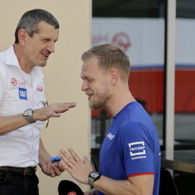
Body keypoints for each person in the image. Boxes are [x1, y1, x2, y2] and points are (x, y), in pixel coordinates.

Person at [0, 9, 76, 195]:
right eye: (46, 40)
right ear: (23, 36)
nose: (52, 49)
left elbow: (25, 127)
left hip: (28, 180)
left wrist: (44, 158)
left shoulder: (37, 75)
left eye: (55, 42)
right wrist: (33, 115)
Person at [60, 44, 161, 195]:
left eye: (89, 79)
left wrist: (92, 177)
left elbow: (141, 192)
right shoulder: (122, 119)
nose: (83, 87)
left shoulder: (132, 126)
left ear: (113, 77)